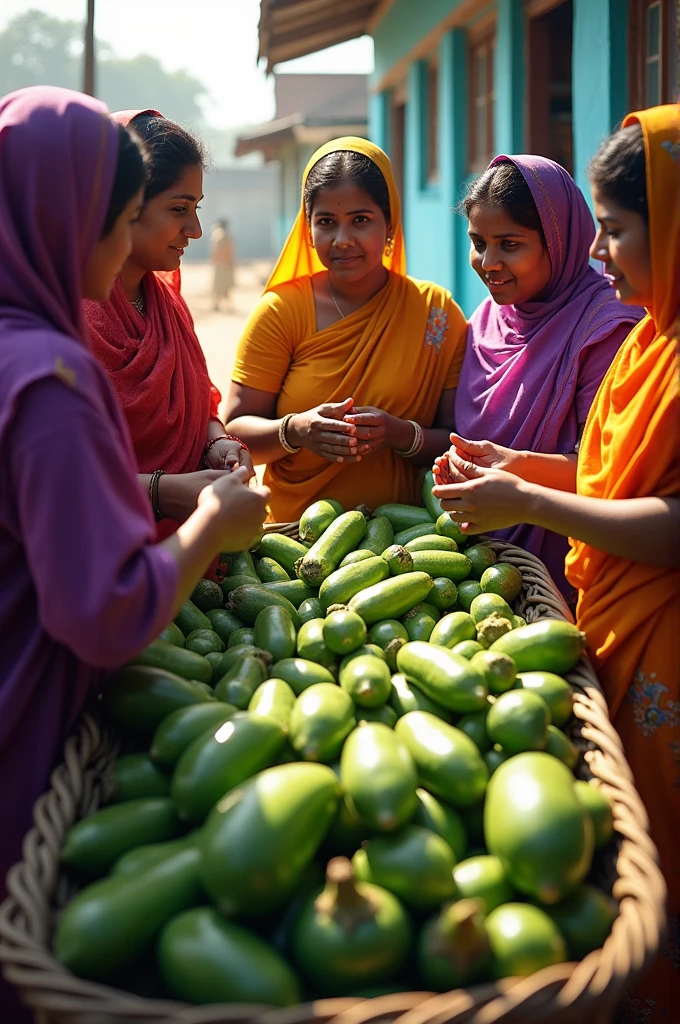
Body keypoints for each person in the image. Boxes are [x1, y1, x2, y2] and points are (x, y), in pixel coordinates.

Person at [0, 85, 269, 970]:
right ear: (68, 219)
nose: (133, 247)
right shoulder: (51, 379)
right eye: (122, 220)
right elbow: (103, 611)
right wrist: (209, 525)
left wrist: (210, 456)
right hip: (28, 696)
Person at [433, 105, 679, 1017]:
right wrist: (515, 467)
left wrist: (530, 500)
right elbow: (611, 469)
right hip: (590, 601)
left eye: (617, 231)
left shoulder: (615, 327)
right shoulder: (653, 333)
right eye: (604, 232)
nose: (606, 256)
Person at [224, 137, 467, 523]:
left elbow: (456, 438)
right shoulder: (282, 311)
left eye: (360, 220)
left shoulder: (435, 313)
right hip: (290, 542)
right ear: (308, 229)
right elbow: (233, 434)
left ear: (390, 224)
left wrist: (399, 434)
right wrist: (295, 430)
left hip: (407, 547)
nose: (342, 240)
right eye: (326, 222)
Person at [452, 155, 641, 597]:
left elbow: (606, 475)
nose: (488, 263)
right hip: (474, 568)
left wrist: (516, 469)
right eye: (478, 242)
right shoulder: (486, 320)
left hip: (563, 573)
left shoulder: (604, 330)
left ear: (557, 242)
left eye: (510, 245)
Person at [83, 110, 251, 540]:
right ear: (121, 204)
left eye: (196, 209)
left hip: (192, 565)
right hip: (94, 572)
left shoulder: (169, 305)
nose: (193, 229)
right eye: (178, 209)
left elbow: (200, 403)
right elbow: (51, 478)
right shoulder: (67, 321)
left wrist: (216, 443)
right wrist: (160, 493)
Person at [210, 217, 235, 312]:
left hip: (221, 264)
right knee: (222, 285)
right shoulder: (223, 236)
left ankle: (220, 304)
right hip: (223, 264)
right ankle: (220, 304)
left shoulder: (219, 235)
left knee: (220, 285)